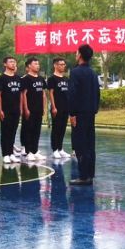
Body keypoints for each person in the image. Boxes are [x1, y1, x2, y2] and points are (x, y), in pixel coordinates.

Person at [68, 44, 100, 186]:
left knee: (80, 145)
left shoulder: (75, 72)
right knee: (90, 144)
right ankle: (90, 174)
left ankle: (83, 176)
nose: (76, 54)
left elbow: (72, 94)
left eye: (77, 52)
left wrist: (72, 113)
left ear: (80, 55)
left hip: (79, 113)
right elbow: (97, 93)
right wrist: (94, 109)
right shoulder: (93, 73)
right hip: (90, 113)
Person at [0, 56, 22, 164]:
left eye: (14, 62)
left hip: (16, 109)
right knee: (5, 132)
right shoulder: (1, 78)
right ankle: (5, 154)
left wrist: (20, 108)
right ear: (5, 64)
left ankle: (11, 153)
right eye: (11, 62)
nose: (13, 63)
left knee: (13, 132)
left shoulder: (18, 78)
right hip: (5, 109)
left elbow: (20, 94)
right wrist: (0, 110)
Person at [19, 58, 46, 162]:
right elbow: (23, 94)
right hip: (30, 109)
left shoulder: (41, 79)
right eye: (35, 64)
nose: (37, 65)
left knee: (37, 130)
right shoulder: (25, 79)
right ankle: (28, 151)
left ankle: (35, 151)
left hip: (38, 109)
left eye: (38, 64)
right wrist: (25, 108)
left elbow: (43, 94)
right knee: (28, 130)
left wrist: (43, 107)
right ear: (29, 66)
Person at [47, 58, 71, 160]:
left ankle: (60, 148)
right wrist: (53, 106)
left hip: (65, 107)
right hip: (57, 107)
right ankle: (55, 150)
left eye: (64, 64)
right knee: (56, 128)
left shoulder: (66, 79)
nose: (63, 66)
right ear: (55, 65)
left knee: (62, 128)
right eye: (61, 64)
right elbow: (51, 93)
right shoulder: (52, 79)